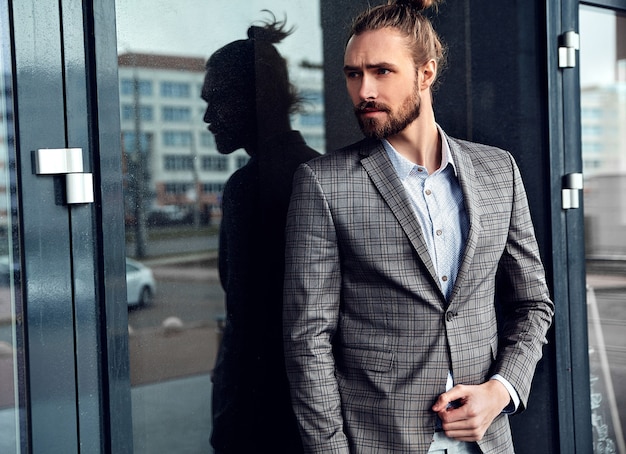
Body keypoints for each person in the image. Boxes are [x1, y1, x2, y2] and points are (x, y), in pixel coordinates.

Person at [282, 1, 554, 453]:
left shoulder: (498, 171)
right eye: (353, 74)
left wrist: (501, 390)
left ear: (425, 74)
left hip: (486, 442)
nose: (364, 89)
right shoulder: (323, 184)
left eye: (381, 71)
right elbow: (308, 340)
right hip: (381, 442)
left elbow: (532, 304)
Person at [201, 14, 320, 454]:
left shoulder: (248, 186)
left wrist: (228, 418)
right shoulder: (321, 170)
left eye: (217, 100)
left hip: (260, 413)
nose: (207, 116)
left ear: (256, 98)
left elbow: (245, 320)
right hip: (313, 409)